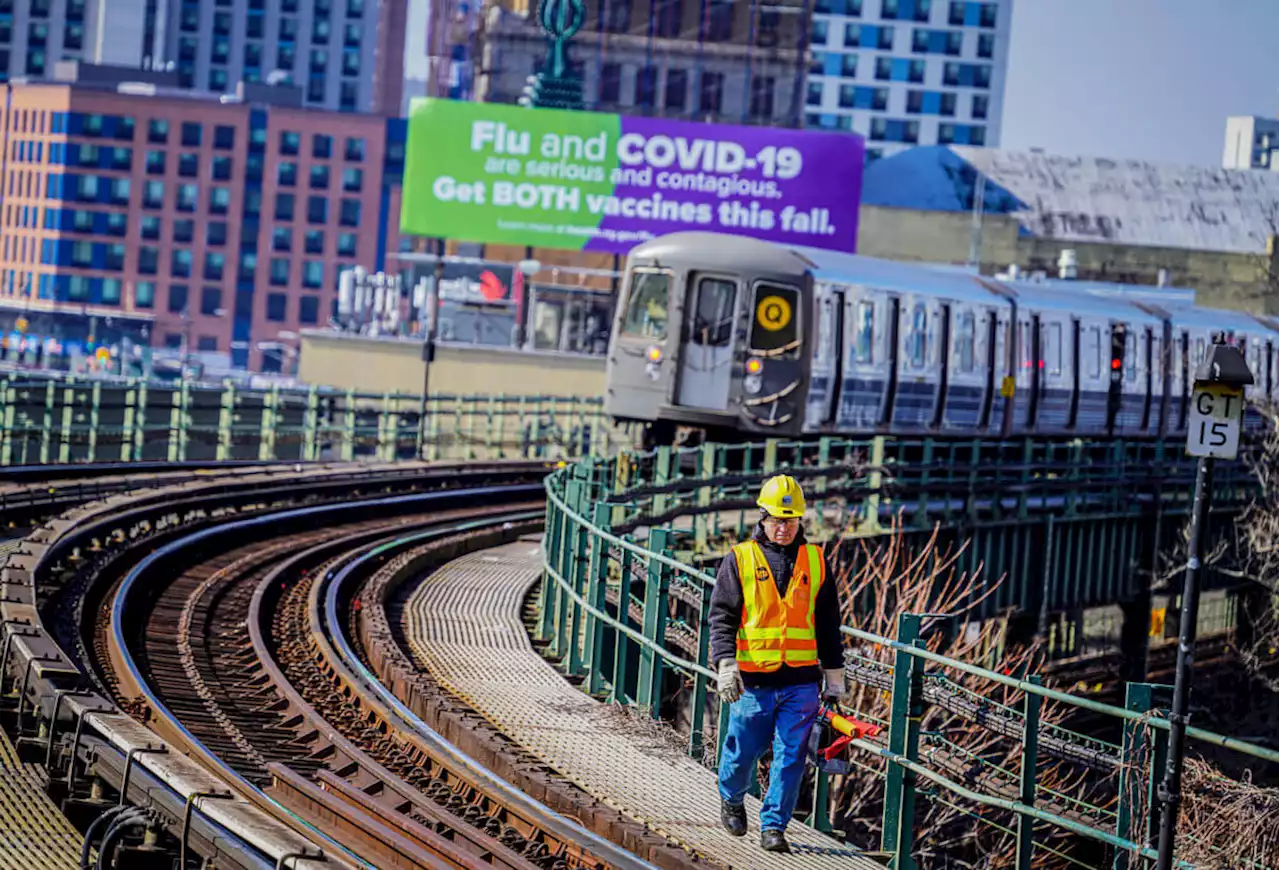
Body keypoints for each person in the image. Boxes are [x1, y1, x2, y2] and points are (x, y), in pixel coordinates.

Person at [709, 474, 845, 854]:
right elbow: (722, 617)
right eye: (776, 520)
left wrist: (834, 677)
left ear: (800, 521)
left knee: (791, 757)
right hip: (753, 679)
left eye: (791, 520)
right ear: (763, 518)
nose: (783, 528)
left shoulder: (816, 561)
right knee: (743, 752)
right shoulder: (739, 559)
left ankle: (774, 827)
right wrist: (725, 664)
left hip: (801, 682)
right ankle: (732, 797)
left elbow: (828, 624)